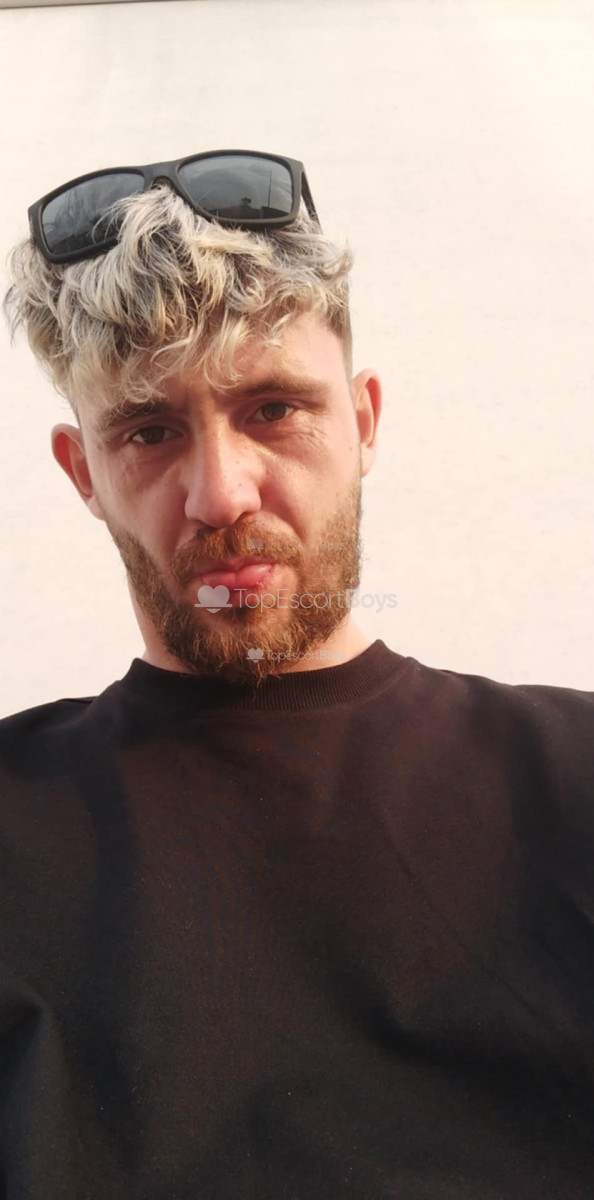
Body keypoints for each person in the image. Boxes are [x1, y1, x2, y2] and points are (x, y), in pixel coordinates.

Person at [1, 148, 593, 1200]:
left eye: (273, 408)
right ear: (83, 472)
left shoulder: (574, 774)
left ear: (362, 423)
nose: (222, 494)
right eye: (149, 430)